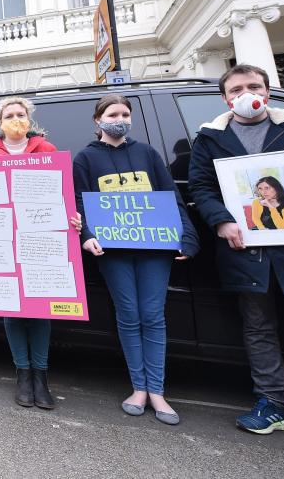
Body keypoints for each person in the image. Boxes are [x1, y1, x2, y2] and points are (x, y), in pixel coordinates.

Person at [188, 64, 284, 448]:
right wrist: (221, 222)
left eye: (253, 86)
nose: (246, 93)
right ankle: (272, 404)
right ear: (225, 98)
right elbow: (202, 188)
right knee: (258, 329)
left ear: (268, 90)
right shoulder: (210, 139)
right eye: (237, 88)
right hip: (249, 253)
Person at [73, 95, 199, 425]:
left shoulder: (147, 153)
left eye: (126, 114)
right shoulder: (85, 158)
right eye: (113, 113)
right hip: (113, 252)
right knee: (128, 315)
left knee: (153, 315)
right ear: (97, 119)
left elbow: (171, 195)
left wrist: (187, 236)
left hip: (154, 249)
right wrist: (86, 235)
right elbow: (77, 203)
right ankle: (138, 388)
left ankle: (156, 391)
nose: (121, 118)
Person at [0, 96, 77, 409]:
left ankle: (41, 375)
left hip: (39, 237)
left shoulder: (47, 150)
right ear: (0, 122)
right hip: (2, 241)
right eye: (10, 115)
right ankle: (23, 373)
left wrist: (73, 219)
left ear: (30, 119)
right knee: (12, 309)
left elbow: (63, 192)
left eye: (21, 114)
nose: (16, 119)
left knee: (40, 309)